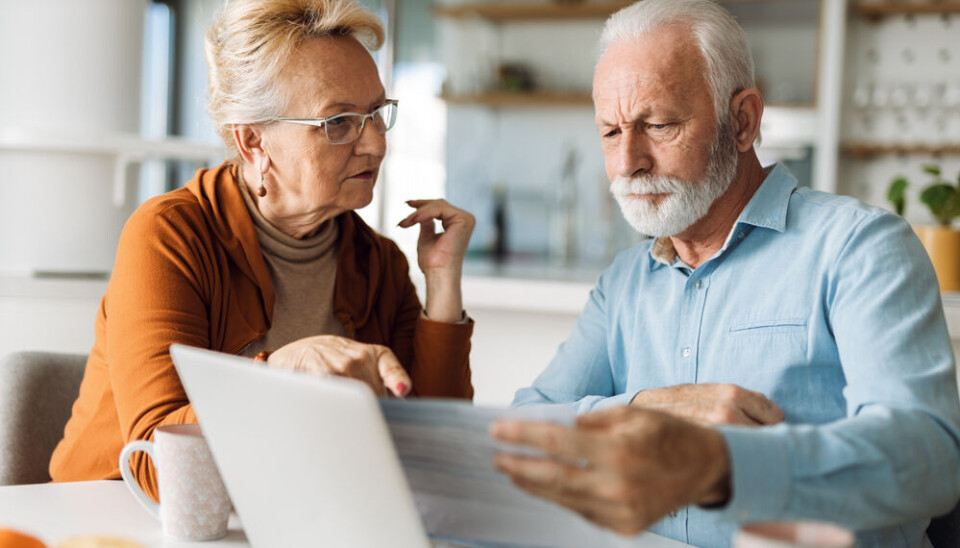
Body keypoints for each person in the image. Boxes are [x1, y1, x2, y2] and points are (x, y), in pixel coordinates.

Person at [490, 1, 960, 546]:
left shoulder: (859, 249)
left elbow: (927, 457)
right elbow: (526, 426)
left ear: (743, 121)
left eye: (658, 125)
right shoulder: (624, 283)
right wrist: (643, 408)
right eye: (611, 133)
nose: (627, 164)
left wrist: (725, 466)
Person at [50, 0, 475, 501]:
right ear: (253, 142)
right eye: (338, 121)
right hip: (111, 517)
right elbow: (158, 465)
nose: (377, 144)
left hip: (280, 517)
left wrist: (442, 284)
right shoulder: (169, 237)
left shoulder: (378, 260)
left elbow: (439, 459)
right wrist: (285, 372)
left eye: (377, 113)